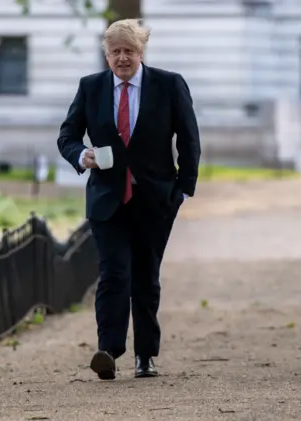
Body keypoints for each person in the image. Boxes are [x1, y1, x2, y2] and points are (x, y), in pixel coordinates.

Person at [56, 18, 201, 380]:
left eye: (129, 51)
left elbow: (189, 139)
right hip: (107, 199)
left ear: (141, 52)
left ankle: (145, 356)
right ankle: (108, 350)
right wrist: (81, 155)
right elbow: (68, 135)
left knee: (145, 278)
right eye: (115, 51)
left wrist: (182, 189)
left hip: (155, 200)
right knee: (113, 273)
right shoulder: (90, 88)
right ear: (106, 55)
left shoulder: (168, 85)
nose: (122, 58)